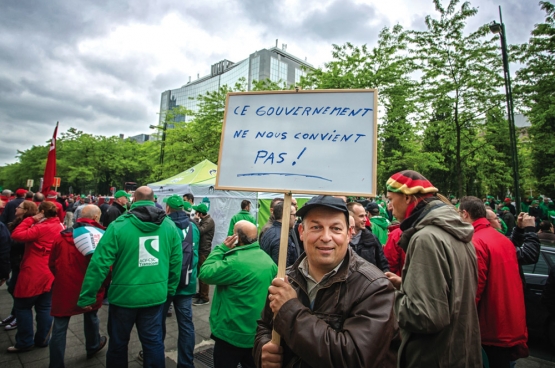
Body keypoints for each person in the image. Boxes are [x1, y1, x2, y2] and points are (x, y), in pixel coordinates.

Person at [254, 195, 398, 367]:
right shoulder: (285, 278)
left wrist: (290, 309)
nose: (326, 237)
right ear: (301, 232)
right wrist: (263, 349)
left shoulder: (374, 287)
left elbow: (354, 359)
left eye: (336, 229)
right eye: (316, 227)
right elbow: (264, 326)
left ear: (349, 234)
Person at [384, 170, 481, 367]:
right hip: (460, 351)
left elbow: (425, 316)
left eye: (391, 199)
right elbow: (452, 293)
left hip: (435, 356)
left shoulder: (426, 238)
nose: (390, 208)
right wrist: (406, 285)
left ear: (407, 197)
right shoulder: (457, 232)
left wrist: (386, 295)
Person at [77, 186, 182, 368]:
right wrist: (170, 289)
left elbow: (99, 264)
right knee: (153, 343)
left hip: (123, 297)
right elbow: (176, 263)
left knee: (118, 344)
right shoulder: (170, 226)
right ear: (154, 200)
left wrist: (88, 294)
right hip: (155, 295)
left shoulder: (119, 225)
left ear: (133, 199)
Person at [459, 196, 528, 367]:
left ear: (465, 214)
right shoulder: (502, 240)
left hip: (489, 328)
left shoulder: (476, 242)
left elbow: (474, 289)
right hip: (510, 323)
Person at [200, 220, 276, 368]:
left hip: (230, 332)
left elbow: (204, 273)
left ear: (236, 237)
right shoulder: (269, 261)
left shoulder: (233, 262)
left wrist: (221, 249)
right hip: (257, 333)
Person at [49, 205, 108, 367]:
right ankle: (93, 345)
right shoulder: (101, 236)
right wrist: (103, 285)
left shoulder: (61, 236)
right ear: (96, 218)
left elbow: (52, 263)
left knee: (60, 327)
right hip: (90, 286)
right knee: (91, 317)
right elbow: (105, 266)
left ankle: (55, 363)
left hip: (65, 287)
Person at [8, 201, 65, 352]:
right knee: (45, 307)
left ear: (41, 212)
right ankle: (43, 338)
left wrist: (31, 219)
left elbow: (16, 235)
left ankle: (25, 341)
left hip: (34, 270)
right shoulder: (59, 226)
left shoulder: (41, 227)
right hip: (50, 271)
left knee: (22, 306)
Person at [156, 194, 199, 367]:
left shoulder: (163, 226)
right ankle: (186, 363)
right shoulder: (194, 227)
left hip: (166, 284)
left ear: (167, 208)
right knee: (186, 325)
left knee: (158, 324)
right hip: (187, 284)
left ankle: (156, 358)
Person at [0, 201, 38, 331]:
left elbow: (18, 238)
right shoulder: (17, 221)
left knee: (15, 289)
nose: (16, 208)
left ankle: (19, 316)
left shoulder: (30, 224)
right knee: (13, 288)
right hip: (16, 261)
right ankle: (15, 313)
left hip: (22, 261)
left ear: (26, 210)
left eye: (19, 207)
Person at [347, 202, 389, 272]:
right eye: (361, 216)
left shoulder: (372, 239)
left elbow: (383, 265)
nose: (365, 219)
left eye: (365, 216)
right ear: (350, 217)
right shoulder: (341, 241)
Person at [260, 202, 298, 267]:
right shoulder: (282, 239)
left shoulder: (270, 230)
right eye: (294, 215)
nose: (296, 218)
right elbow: (281, 270)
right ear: (286, 215)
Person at [192, 202, 215, 306]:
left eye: (197, 212)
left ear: (200, 213)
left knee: (203, 274)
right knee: (200, 273)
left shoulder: (209, 221)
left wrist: (196, 221)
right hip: (201, 249)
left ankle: (205, 297)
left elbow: (200, 231)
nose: (195, 213)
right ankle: (201, 293)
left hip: (204, 251)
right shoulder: (205, 220)